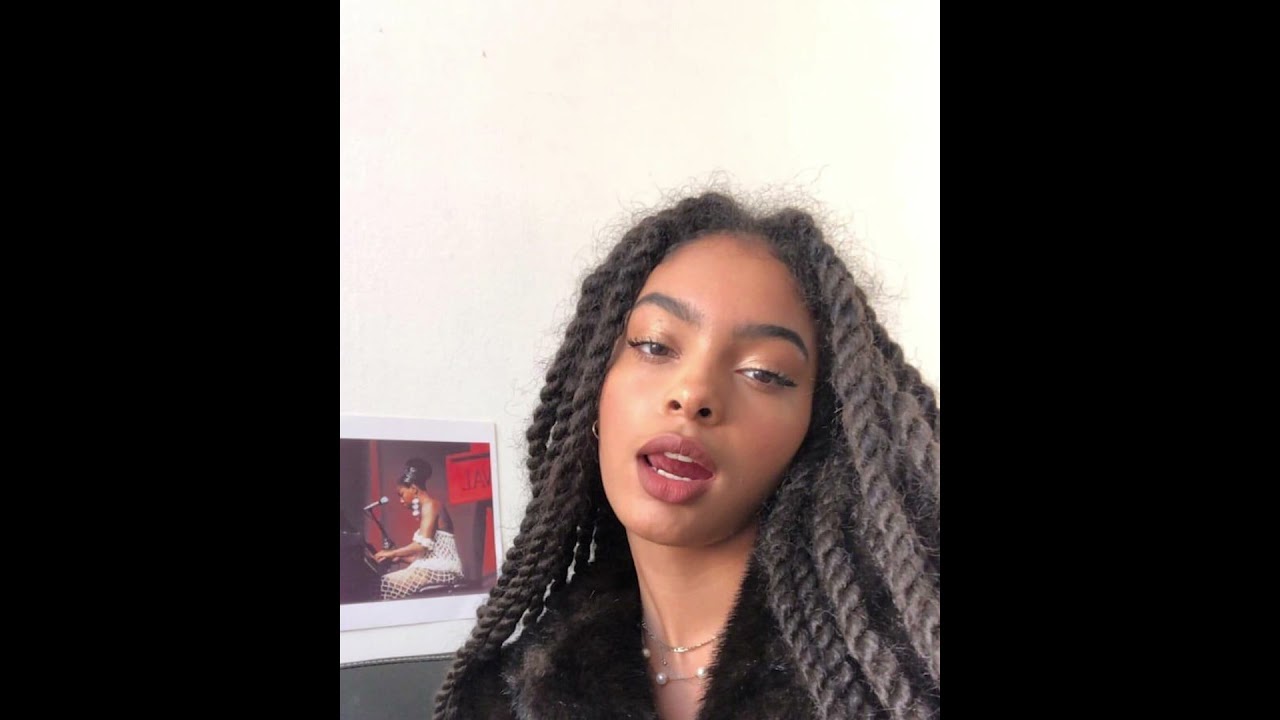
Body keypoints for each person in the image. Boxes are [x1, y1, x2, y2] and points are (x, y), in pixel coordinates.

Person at [433, 192, 939, 719]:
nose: (693, 393)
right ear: (594, 388)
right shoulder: (507, 698)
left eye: (764, 372)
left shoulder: (905, 676)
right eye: (654, 345)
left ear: (818, 429)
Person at [374, 457, 464, 599]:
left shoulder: (431, 505)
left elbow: (421, 546)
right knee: (385, 583)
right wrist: (400, 557)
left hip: (443, 570)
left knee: (384, 584)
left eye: (402, 494)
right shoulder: (429, 506)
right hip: (436, 568)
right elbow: (427, 556)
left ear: (414, 489)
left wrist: (391, 553)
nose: (401, 500)